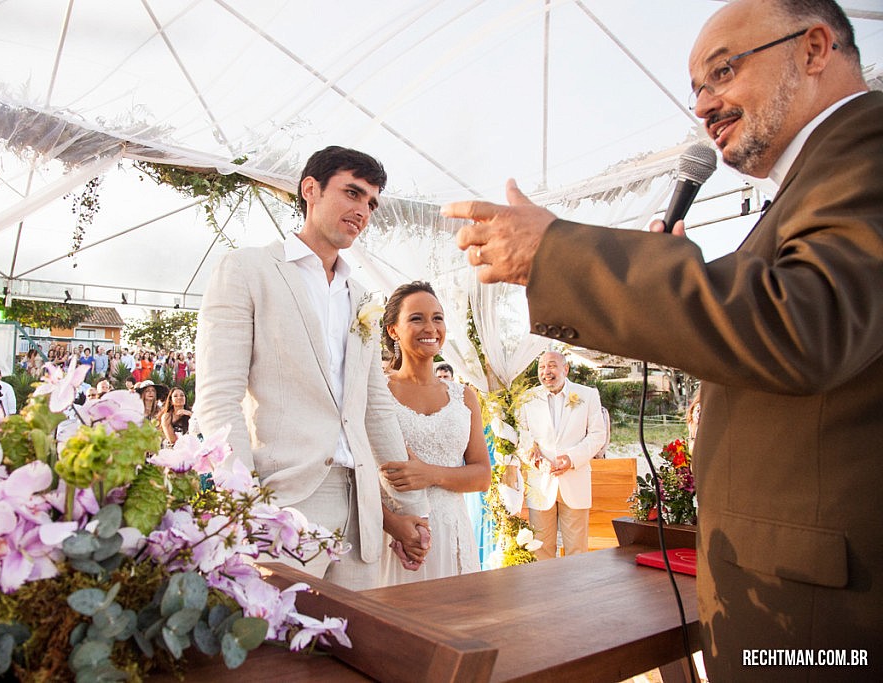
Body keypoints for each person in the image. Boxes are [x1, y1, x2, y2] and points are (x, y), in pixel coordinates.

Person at [444, 0, 881, 677]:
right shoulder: (817, 177)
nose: (704, 107)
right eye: (695, 91)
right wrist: (668, 282)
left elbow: (806, 323)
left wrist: (559, 255)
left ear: (815, 48)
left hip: (827, 624)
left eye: (722, 73)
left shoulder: (868, 149)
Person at [195, 145, 430, 591]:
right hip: (283, 502)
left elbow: (375, 408)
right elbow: (218, 397)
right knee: (275, 651)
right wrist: (244, 504)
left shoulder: (362, 296)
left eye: (371, 203)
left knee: (354, 651)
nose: (363, 210)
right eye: (353, 193)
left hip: (362, 511)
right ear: (311, 190)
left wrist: (408, 506)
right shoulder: (247, 270)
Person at [378, 282, 490, 584]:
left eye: (437, 318)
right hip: (399, 535)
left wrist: (430, 474)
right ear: (393, 330)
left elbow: (482, 476)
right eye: (416, 318)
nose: (430, 327)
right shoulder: (376, 392)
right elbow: (357, 473)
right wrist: (393, 524)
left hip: (453, 532)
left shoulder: (464, 396)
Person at [515, 351, 606, 559]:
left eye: (552, 365)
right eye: (541, 367)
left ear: (565, 369)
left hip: (575, 481)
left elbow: (598, 435)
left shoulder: (588, 394)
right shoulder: (527, 398)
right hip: (540, 484)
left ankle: (576, 592)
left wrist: (572, 459)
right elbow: (521, 437)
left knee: (577, 552)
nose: (546, 372)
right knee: (540, 550)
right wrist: (533, 456)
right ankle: (545, 592)